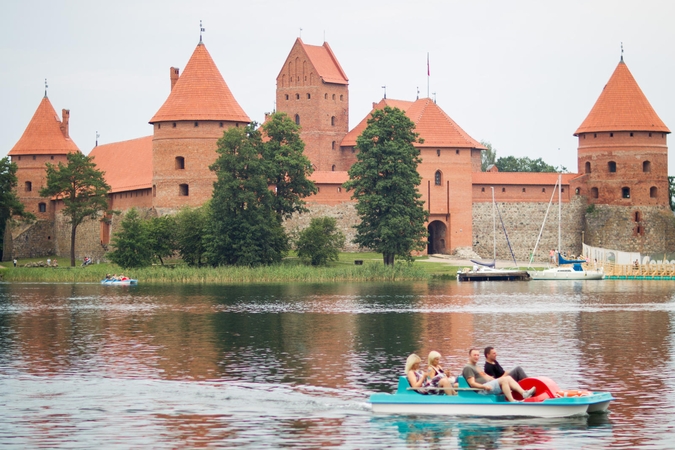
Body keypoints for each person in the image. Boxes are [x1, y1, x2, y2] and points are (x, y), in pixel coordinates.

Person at [462, 348, 535, 402]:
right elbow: (472, 384)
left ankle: (524, 393)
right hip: (482, 390)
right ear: (469, 356)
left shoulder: (477, 366)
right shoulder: (468, 368)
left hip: (487, 385)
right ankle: (512, 401)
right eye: (474, 355)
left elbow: (487, 377)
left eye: (478, 355)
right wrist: (484, 386)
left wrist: (497, 380)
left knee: (508, 378)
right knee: (504, 380)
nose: (476, 357)